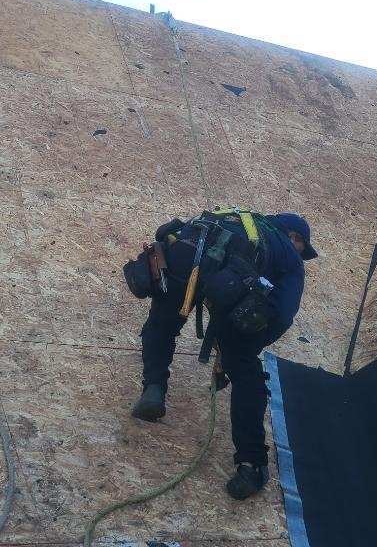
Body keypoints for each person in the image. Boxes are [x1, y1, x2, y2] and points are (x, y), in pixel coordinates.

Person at [130, 209, 316, 500]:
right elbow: (281, 313)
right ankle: (251, 466)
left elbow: (168, 234)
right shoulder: (288, 257)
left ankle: (153, 389)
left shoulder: (234, 220)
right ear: (294, 236)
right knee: (244, 368)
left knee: (162, 324)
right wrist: (242, 350)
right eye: (302, 247)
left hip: (186, 254)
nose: (300, 254)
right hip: (232, 280)